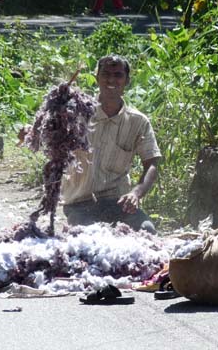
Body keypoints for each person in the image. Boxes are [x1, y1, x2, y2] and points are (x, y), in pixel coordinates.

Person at [61, 54, 161, 234]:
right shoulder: (77, 112)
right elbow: (50, 135)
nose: (111, 79)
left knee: (147, 231)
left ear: (127, 80)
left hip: (118, 202)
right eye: (106, 74)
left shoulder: (138, 122)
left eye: (118, 75)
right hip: (80, 203)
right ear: (97, 78)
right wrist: (32, 132)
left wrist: (135, 193)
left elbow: (152, 163)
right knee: (87, 239)